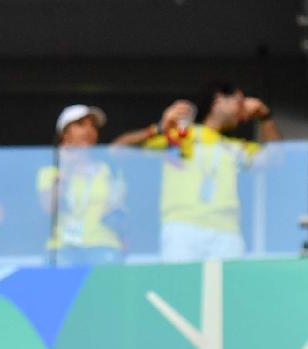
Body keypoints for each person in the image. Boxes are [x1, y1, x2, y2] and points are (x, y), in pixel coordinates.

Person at [116, 81, 280, 261]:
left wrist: (265, 116)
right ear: (218, 99)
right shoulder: (180, 135)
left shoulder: (235, 147)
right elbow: (117, 150)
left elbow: (276, 158)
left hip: (227, 230)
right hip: (182, 227)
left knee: (227, 289)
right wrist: (159, 128)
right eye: (239, 102)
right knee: (181, 288)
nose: (242, 112)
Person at [39, 105, 125, 264]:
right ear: (64, 134)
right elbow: (48, 207)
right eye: (80, 124)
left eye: (93, 126)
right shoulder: (50, 171)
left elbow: (120, 214)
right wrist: (66, 167)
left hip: (104, 245)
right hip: (63, 247)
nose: (88, 130)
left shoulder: (108, 170)